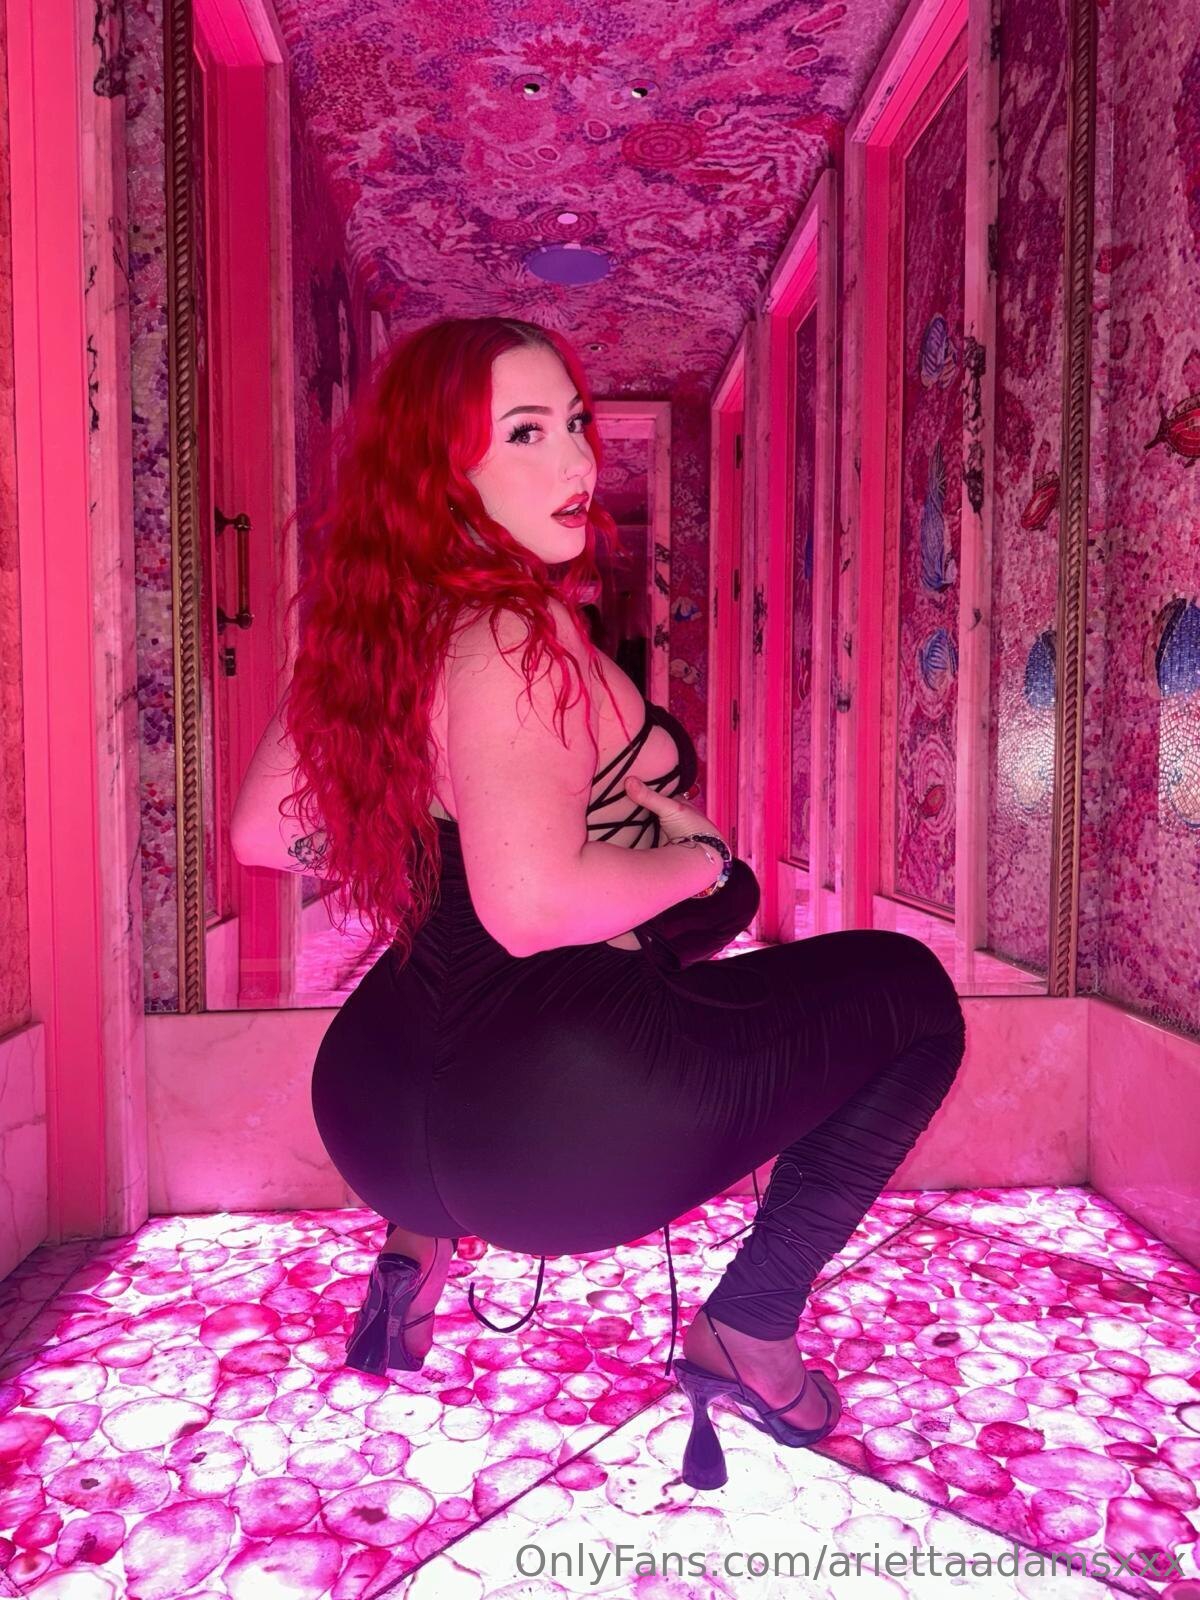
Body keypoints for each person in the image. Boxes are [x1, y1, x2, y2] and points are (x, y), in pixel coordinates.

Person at [232, 315, 967, 1491]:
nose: (578, 459)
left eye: (574, 423)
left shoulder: (375, 627)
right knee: (913, 996)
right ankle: (753, 1325)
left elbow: (264, 831)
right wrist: (694, 857)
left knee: (704, 925)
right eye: (526, 433)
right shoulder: (513, 633)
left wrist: (434, 827)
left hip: (374, 1111)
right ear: (441, 471)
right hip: (544, 1134)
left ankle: (416, 1244)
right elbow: (529, 910)